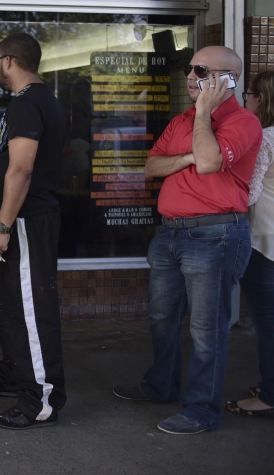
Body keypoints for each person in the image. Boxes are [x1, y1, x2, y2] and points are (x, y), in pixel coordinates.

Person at [113, 46, 261, 434]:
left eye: (201, 70)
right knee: (162, 318)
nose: (190, 77)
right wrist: (186, 158)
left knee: (206, 329)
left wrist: (201, 119)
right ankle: (160, 385)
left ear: (227, 80)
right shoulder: (181, 120)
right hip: (170, 234)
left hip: (215, 235)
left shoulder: (243, 122)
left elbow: (211, 160)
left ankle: (201, 409)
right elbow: (151, 166)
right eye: (189, 68)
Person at [0, 33, 67, 430]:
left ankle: (40, 400)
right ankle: (11, 373)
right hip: (18, 221)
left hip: (25, 222)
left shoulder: (29, 102)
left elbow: (21, 168)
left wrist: (3, 225)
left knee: (30, 310)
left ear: (9, 60)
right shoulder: (30, 102)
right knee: (11, 304)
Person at [226, 70, 274, 418]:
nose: (247, 100)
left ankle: (269, 395)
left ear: (262, 99)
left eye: (250, 94)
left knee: (268, 322)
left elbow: (248, 193)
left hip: (264, 241)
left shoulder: (266, 138)